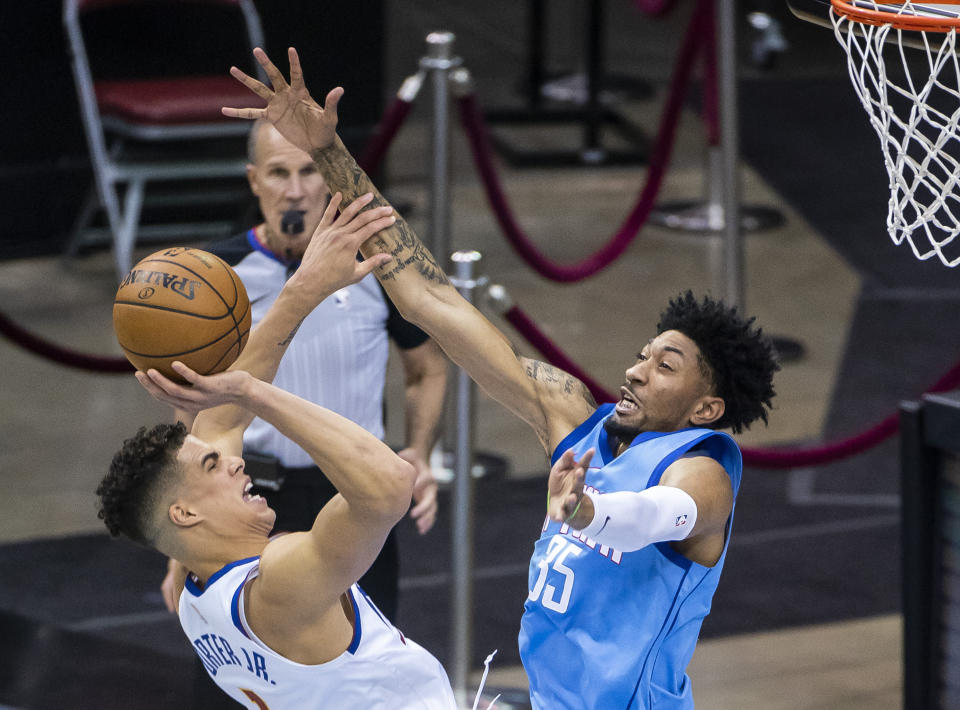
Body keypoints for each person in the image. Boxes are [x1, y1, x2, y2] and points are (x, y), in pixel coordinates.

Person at [222, 47, 780, 709]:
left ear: (705, 407)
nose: (634, 370)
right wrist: (331, 151)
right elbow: (432, 299)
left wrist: (587, 510)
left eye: (665, 367)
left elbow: (651, 518)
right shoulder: (574, 415)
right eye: (643, 353)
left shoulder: (701, 472)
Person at [96, 194, 458, 709]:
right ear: (185, 512)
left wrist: (305, 288)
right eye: (212, 465)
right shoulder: (281, 582)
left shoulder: (196, 600)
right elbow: (389, 487)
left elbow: (222, 420)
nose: (235, 460)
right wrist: (256, 393)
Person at [160, 118, 449, 626]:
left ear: (328, 179)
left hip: (354, 492)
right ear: (254, 181)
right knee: (249, 661)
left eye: (308, 171)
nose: (294, 191)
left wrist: (419, 451)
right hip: (250, 492)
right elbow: (193, 415)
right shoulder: (212, 275)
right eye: (277, 173)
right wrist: (182, 544)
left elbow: (427, 370)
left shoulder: (372, 266)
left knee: (367, 656)